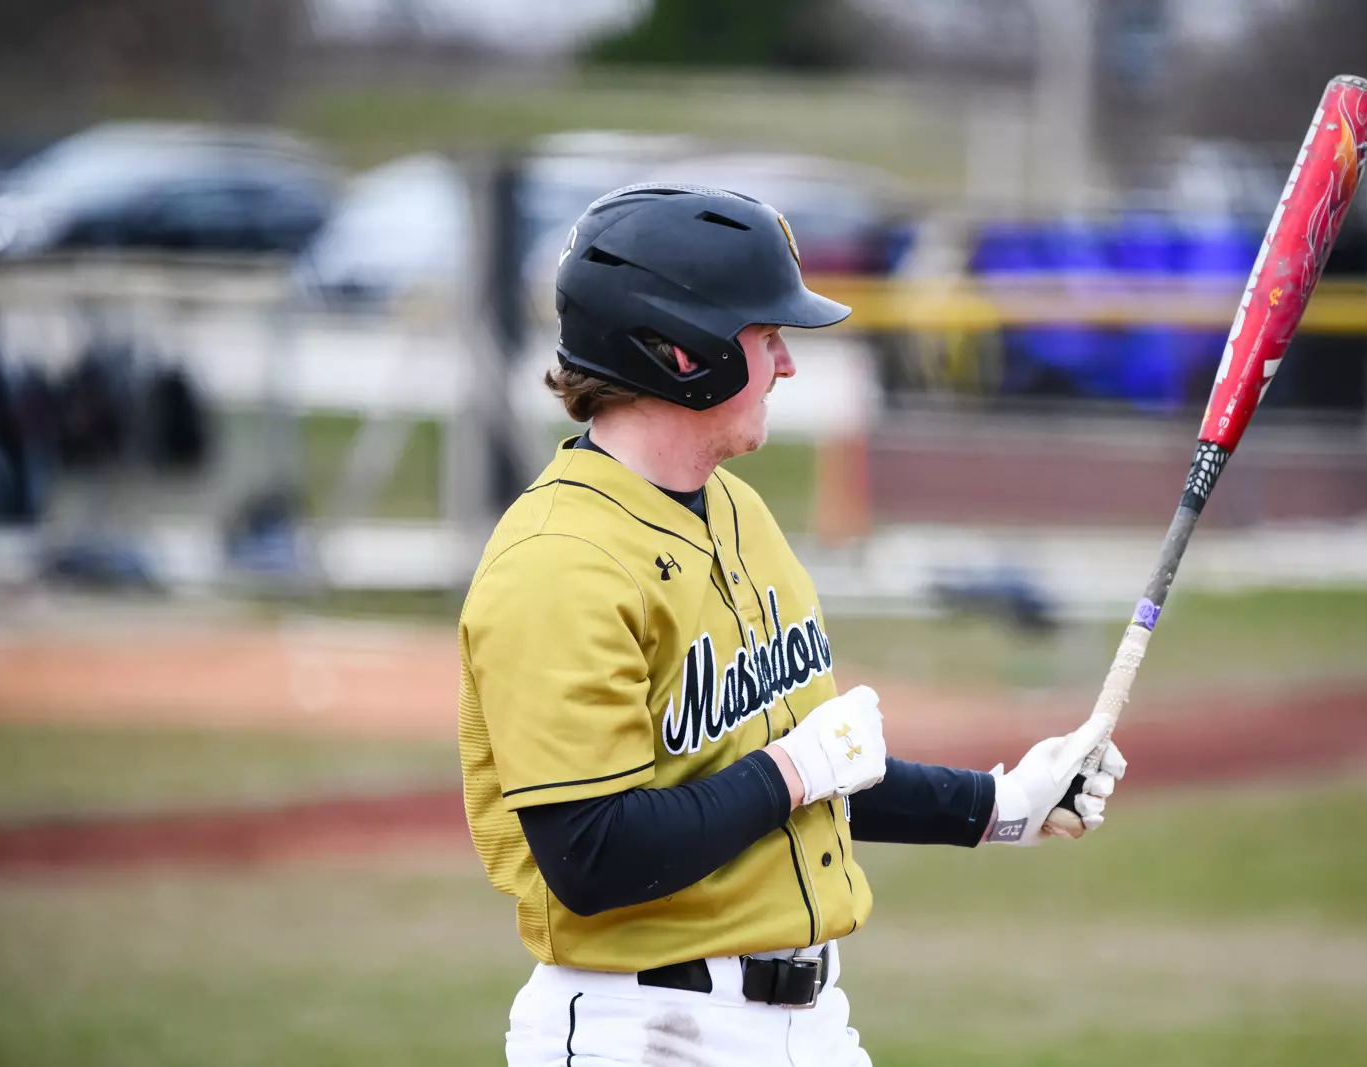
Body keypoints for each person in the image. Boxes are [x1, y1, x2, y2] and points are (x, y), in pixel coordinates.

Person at [458, 183, 1127, 1067]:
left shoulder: (738, 513)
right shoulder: (558, 559)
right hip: (645, 1031)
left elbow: (813, 776)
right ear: (679, 351)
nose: (786, 362)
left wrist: (1002, 804)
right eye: (765, 335)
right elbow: (594, 856)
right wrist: (792, 769)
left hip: (809, 1025)